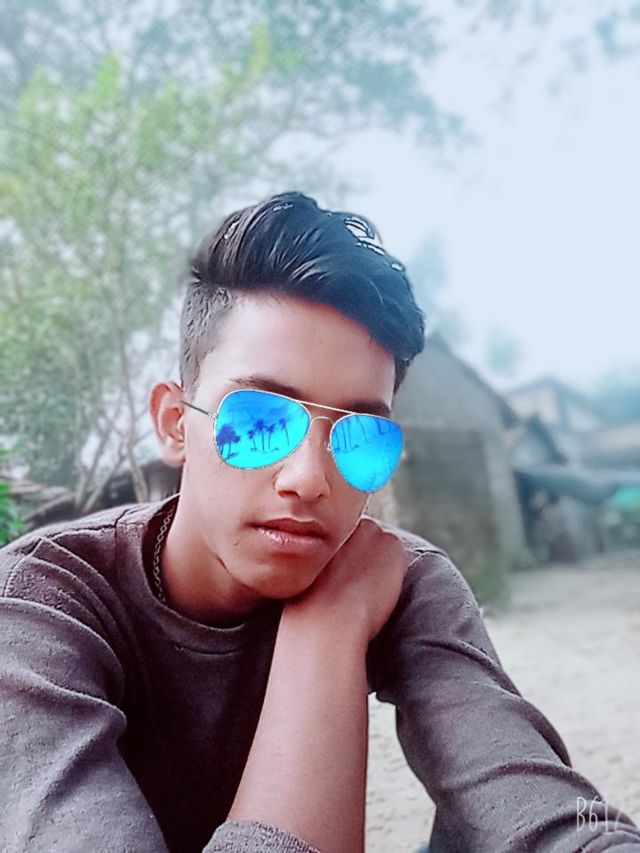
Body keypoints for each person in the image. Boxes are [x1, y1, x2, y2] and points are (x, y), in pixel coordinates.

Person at [1, 191, 639, 853]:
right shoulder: (36, 605)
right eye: (259, 422)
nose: (308, 478)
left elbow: (527, 796)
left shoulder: (394, 575)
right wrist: (330, 627)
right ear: (174, 423)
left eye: (360, 437)